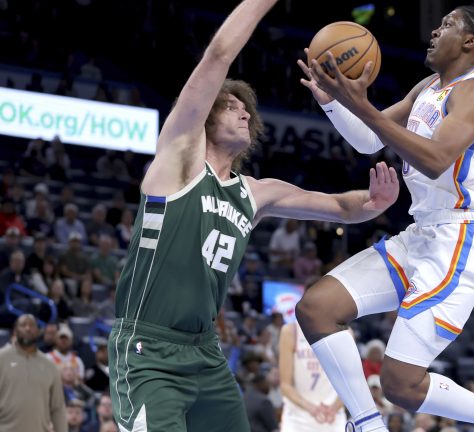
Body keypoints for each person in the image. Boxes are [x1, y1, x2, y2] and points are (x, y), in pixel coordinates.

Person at [107, 1, 400, 431]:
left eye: (248, 110)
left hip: (205, 351)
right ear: (205, 116)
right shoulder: (178, 159)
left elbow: (339, 206)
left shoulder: (255, 193)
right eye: (231, 106)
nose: (245, 112)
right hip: (147, 347)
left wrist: (372, 203)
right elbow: (219, 55)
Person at [296, 6, 474, 432]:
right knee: (317, 308)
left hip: (462, 239)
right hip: (422, 233)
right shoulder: (428, 87)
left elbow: (434, 160)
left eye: (448, 24)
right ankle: (366, 424)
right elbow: (367, 140)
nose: (435, 30)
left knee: (400, 384)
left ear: (471, 42)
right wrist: (336, 104)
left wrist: (363, 105)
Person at [0, 314, 67, 432]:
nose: (27, 328)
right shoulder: (2, 358)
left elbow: (58, 408)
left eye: (32, 325)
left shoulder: (49, 366)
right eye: (23, 325)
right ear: (15, 330)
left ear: (38, 331)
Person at [278, 321, 347, 431]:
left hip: (333, 417)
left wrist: (334, 407)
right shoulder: (291, 331)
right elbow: (285, 385)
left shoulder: (344, 332)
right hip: (297, 418)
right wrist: (311, 408)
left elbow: (350, 383)